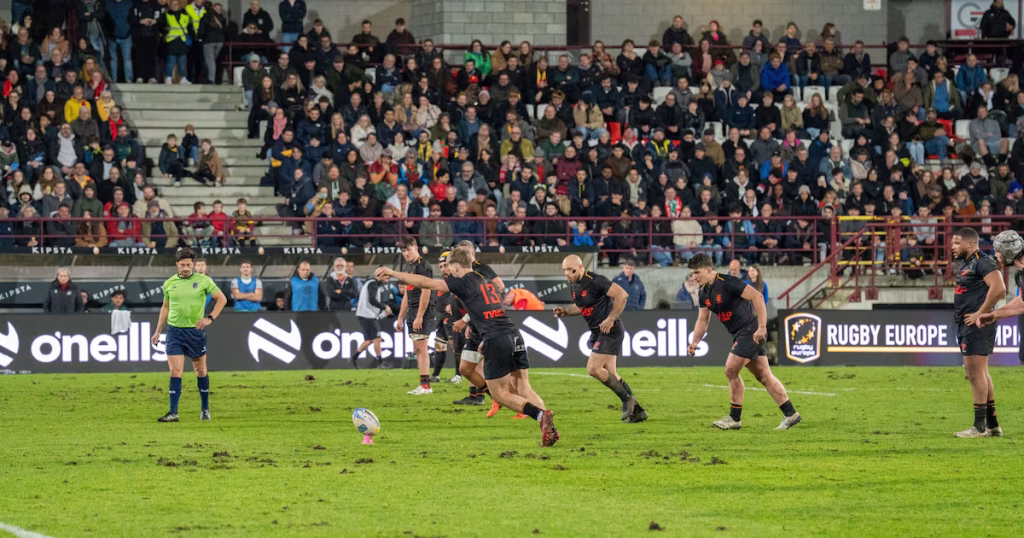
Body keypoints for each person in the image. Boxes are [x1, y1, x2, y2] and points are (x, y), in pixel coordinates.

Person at [375, 247, 560, 447]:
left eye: (449, 267)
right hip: (513, 334)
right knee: (523, 387)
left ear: (455, 267)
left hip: (496, 338)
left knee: (500, 394)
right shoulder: (485, 280)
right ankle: (549, 427)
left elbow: (426, 282)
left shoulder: (462, 281)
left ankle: (540, 414)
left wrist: (393, 273)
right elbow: (490, 311)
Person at [687, 253, 802, 431]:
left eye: (697, 272)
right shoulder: (703, 292)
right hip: (739, 333)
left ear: (709, 269)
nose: (694, 277)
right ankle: (790, 413)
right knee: (764, 375)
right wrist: (694, 341)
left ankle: (734, 418)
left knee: (731, 369)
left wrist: (762, 327)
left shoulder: (729, 282)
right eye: (693, 273)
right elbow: (703, 320)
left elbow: (757, 297)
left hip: (750, 330)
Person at [556, 255, 647, 423]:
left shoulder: (596, 280)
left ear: (581, 267)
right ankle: (638, 411)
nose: (567, 274)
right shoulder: (574, 284)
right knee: (611, 375)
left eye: (570, 270)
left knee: (593, 368)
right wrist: (566, 311)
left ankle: (628, 400)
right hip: (597, 332)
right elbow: (582, 305)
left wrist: (611, 319)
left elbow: (622, 295)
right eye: (564, 270)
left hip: (610, 330)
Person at [151, 247, 228, 422]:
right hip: (174, 332)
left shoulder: (204, 280)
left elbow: (222, 299)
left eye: (189, 265)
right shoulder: (169, 283)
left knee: (200, 371)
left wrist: (210, 318)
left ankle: (205, 408)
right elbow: (165, 307)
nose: (186, 268)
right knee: (175, 371)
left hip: (195, 332)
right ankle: (173, 412)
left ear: (193, 264)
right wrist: (157, 330)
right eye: (182, 265)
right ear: (176, 264)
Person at [950, 227, 1005, 437]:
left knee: (974, 375)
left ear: (971, 244)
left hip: (977, 325)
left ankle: (979, 427)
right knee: (981, 373)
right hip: (968, 324)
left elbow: (999, 289)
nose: (953, 247)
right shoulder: (967, 262)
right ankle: (992, 425)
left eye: (956, 243)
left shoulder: (983, 261)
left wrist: (979, 314)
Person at [394, 237, 436, 394]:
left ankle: (426, 386)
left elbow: (426, 291)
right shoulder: (408, 266)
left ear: (416, 247)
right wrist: (400, 317)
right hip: (412, 310)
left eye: (408, 249)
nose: (406, 253)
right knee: (417, 347)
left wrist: (419, 315)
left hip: (423, 310)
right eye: (403, 251)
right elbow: (406, 294)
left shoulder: (423, 266)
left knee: (421, 346)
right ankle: (424, 384)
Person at [355, 269, 393, 369]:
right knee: (376, 338)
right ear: (379, 275)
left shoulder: (370, 283)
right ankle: (380, 362)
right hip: (367, 315)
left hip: (365, 314)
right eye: (386, 277)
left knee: (370, 340)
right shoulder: (373, 284)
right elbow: (372, 300)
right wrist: (384, 307)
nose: (387, 280)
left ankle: (354, 358)